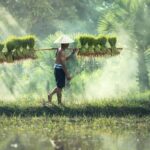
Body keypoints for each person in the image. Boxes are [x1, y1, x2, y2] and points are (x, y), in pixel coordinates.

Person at [48, 35, 77, 105]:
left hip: (58, 68)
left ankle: (50, 95)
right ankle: (59, 103)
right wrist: (67, 74)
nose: (68, 44)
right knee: (59, 87)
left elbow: (65, 59)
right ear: (65, 44)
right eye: (67, 43)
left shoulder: (60, 49)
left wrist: (72, 53)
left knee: (59, 86)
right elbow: (63, 64)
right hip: (59, 69)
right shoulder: (61, 51)